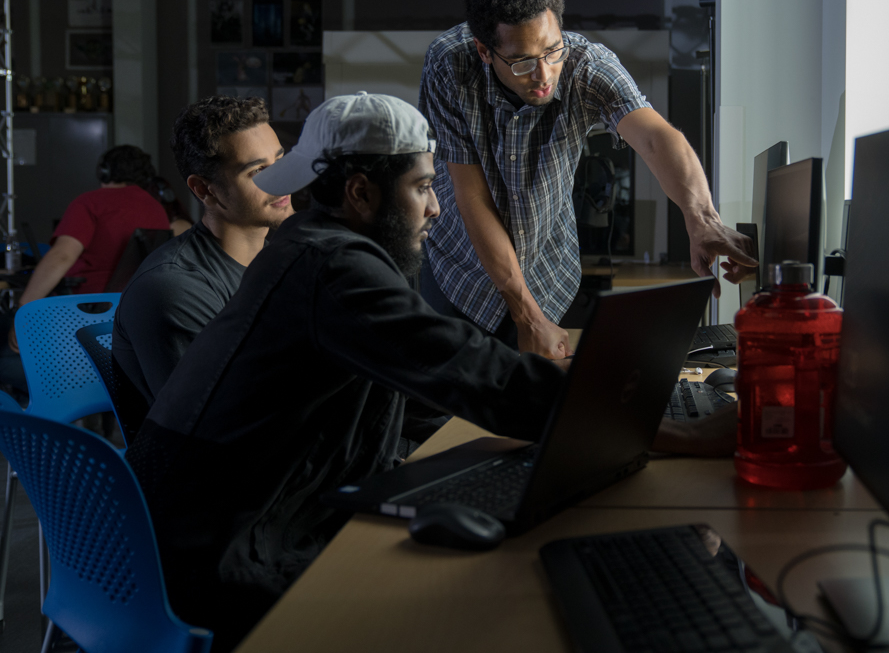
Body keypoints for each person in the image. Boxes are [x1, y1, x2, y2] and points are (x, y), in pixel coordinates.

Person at [126, 93, 567, 650]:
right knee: (473, 607)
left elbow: (430, 367)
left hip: (252, 520)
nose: (435, 208)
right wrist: (618, 410)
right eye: (421, 187)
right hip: (225, 553)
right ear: (360, 193)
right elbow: (467, 368)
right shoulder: (330, 266)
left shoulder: (309, 247)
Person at [418, 0, 756, 360]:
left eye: (552, 50)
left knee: (541, 391)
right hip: (461, 273)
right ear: (484, 51)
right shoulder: (450, 65)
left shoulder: (587, 65)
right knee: (455, 390)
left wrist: (701, 218)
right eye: (522, 61)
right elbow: (472, 197)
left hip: (546, 272)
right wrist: (526, 317)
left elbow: (654, 138)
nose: (544, 74)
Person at [112, 96, 292, 403]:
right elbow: (218, 416)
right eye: (258, 171)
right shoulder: (173, 289)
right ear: (204, 189)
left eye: (280, 160)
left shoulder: (281, 261)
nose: (283, 179)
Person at [6, 145, 169, 355]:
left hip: (84, 315)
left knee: (5, 346)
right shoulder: (156, 207)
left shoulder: (91, 203)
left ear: (104, 172)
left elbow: (62, 256)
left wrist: (22, 310)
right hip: (136, 314)